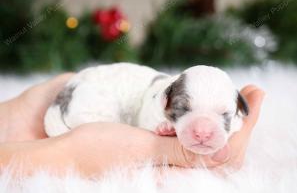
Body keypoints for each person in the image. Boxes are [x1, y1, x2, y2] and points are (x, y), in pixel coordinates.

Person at [0, 73, 265, 177]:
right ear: (166, 101)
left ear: (239, 106)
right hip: (86, 98)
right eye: (184, 109)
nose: (204, 130)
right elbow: (146, 120)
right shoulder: (156, 100)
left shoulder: (170, 92)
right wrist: (64, 153)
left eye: (224, 115)